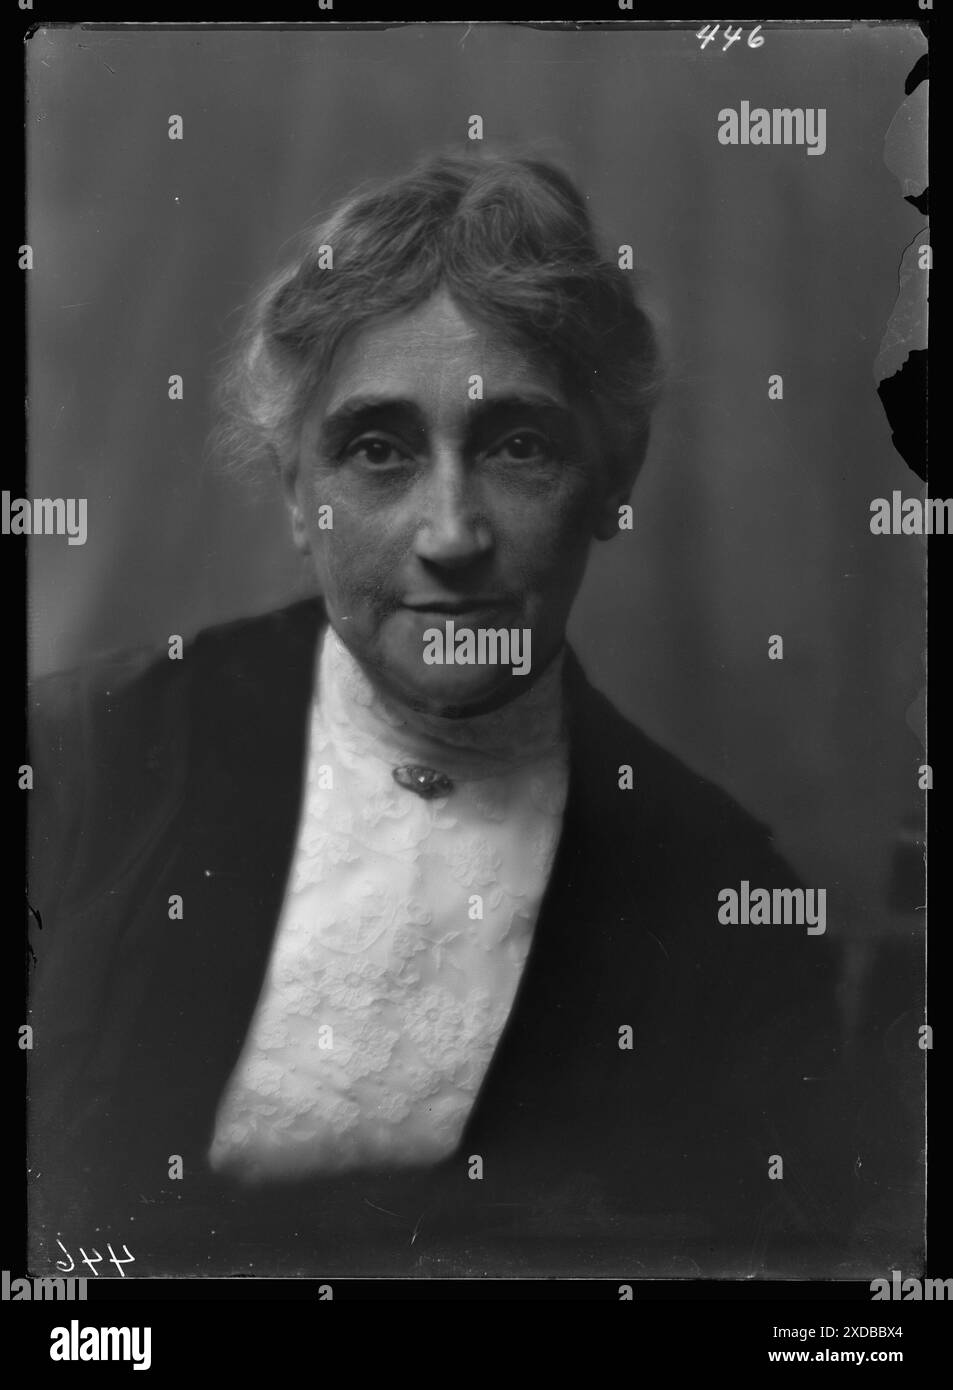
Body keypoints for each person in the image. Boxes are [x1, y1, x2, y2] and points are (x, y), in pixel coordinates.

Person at [28, 151, 873, 1278]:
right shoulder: (76, 762)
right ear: (296, 492)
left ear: (613, 474)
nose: (450, 534)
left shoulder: (735, 920)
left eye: (518, 446)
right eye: (377, 451)